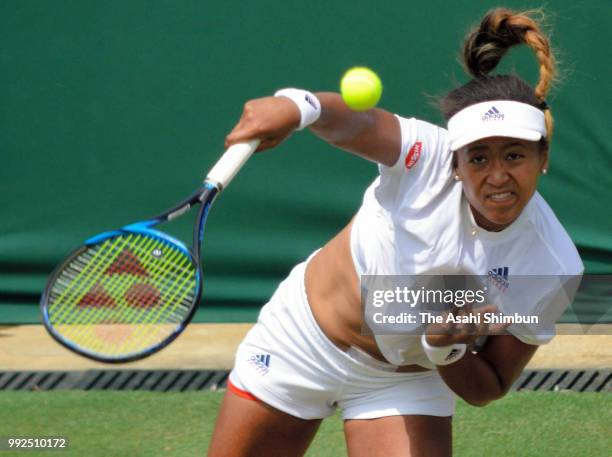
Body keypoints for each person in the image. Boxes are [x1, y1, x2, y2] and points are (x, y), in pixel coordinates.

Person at [207, 7, 583, 457]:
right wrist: (298, 106)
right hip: (302, 342)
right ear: (455, 164)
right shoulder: (427, 155)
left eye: (515, 156)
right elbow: (360, 123)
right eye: (478, 158)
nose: (498, 175)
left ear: (543, 158)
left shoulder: (553, 264)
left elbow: (490, 385)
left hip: (403, 379)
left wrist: (444, 348)